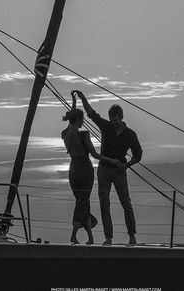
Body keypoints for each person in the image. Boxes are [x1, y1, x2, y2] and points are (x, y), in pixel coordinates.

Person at [74, 90, 143, 245]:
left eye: (116, 120)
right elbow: (91, 113)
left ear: (121, 117)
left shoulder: (130, 134)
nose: (114, 122)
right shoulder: (106, 126)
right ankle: (108, 237)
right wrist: (83, 97)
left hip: (119, 171)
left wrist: (127, 165)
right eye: (112, 120)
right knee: (104, 203)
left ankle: (132, 235)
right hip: (104, 169)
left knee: (126, 203)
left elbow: (138, 154)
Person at [61, 92, 120, 245]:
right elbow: (95, 155)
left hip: (73, 169)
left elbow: (72, 119)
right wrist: (111, 159)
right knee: (83, 201)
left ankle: (90, 238)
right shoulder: (84, 135)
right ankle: (75, 234)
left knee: (81, 201)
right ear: (79, 120)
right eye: (82, 119)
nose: (84, 121)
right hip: (85, 169)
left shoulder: (66, 133)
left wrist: (74, 102)